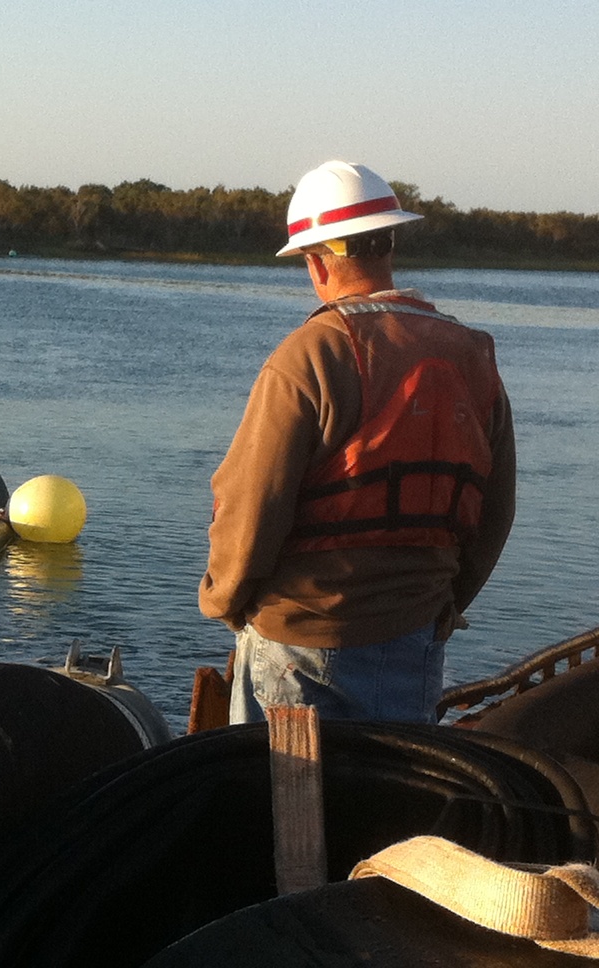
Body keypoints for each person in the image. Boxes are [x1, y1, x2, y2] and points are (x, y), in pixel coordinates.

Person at [198, 160, 516, 725]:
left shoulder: (309, 355)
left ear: (316, 262)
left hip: (296, 638)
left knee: (278, 806)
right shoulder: (473, 355)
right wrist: (439, 605)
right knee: (391, 804)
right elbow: (495, 512)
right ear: (389, 243)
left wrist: (224, 600)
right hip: (414, 637)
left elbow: (252, 507)